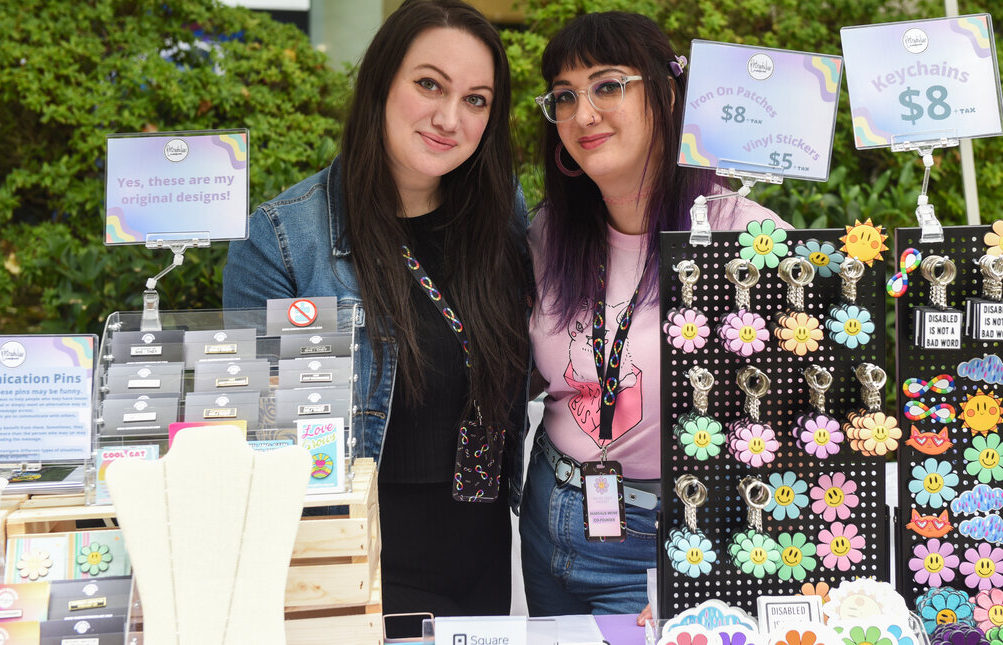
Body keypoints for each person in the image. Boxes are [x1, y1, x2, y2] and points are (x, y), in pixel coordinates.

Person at [223, 0, 530, 633]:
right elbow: (258, 437)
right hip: (346, 557)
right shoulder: (283, 239)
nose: (450, 118)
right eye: (428, 85)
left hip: (480, 549)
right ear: (380, 82)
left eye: (477, 100)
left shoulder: (500, 214)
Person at [522, 11, 789, 617]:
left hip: (671, 538)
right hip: (550, 521)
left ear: (667, 93)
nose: (584, 113)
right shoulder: (548, 234)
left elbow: (792, 429)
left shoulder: (748, 238)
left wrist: (717, 570)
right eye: (565, 96)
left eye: (608, 85)